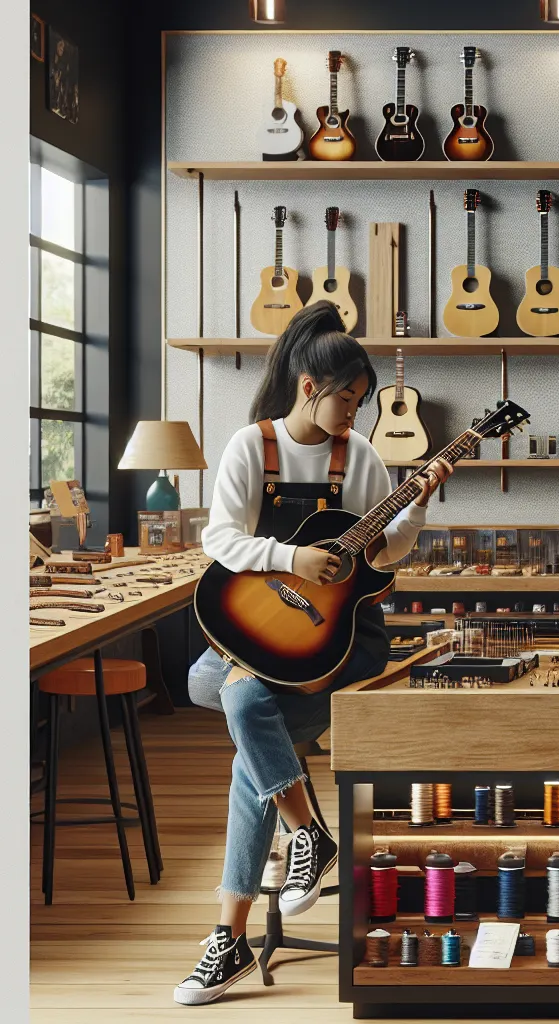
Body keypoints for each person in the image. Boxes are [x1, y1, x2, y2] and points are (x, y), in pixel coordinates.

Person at [175, 302, 454, 1005]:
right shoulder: (252, 448)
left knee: (243, 717)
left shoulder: (357, 458)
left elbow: (381, 559)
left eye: (360, 404)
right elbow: (221, 541)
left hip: (336, 642)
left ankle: (229, 939)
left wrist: (415, 505)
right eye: (348, 401)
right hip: (259, 630)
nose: (355, 417)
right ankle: (307, 836)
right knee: (227, 695)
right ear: (309, 387)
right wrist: (292, 557)